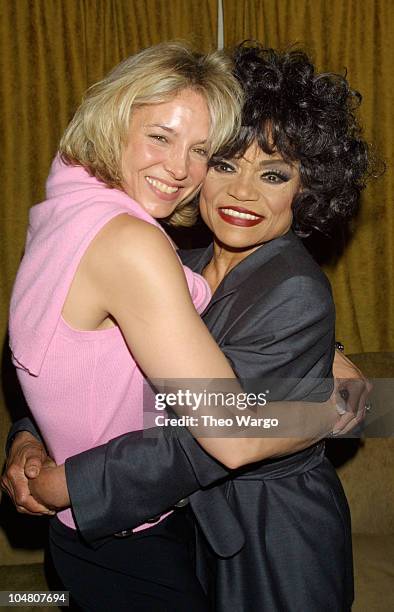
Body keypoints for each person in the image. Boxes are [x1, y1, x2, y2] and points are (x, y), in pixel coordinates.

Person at [2, 43, 370, 611]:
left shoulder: (293, 286)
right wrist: (29, 433)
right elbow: (100, 366)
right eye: (223, 163)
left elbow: (203, 441)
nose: (242, 193)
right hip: (187, 525)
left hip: (270, 534)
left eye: (273, 174)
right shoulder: (181, 257)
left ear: (308, 190)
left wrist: (71, 482)